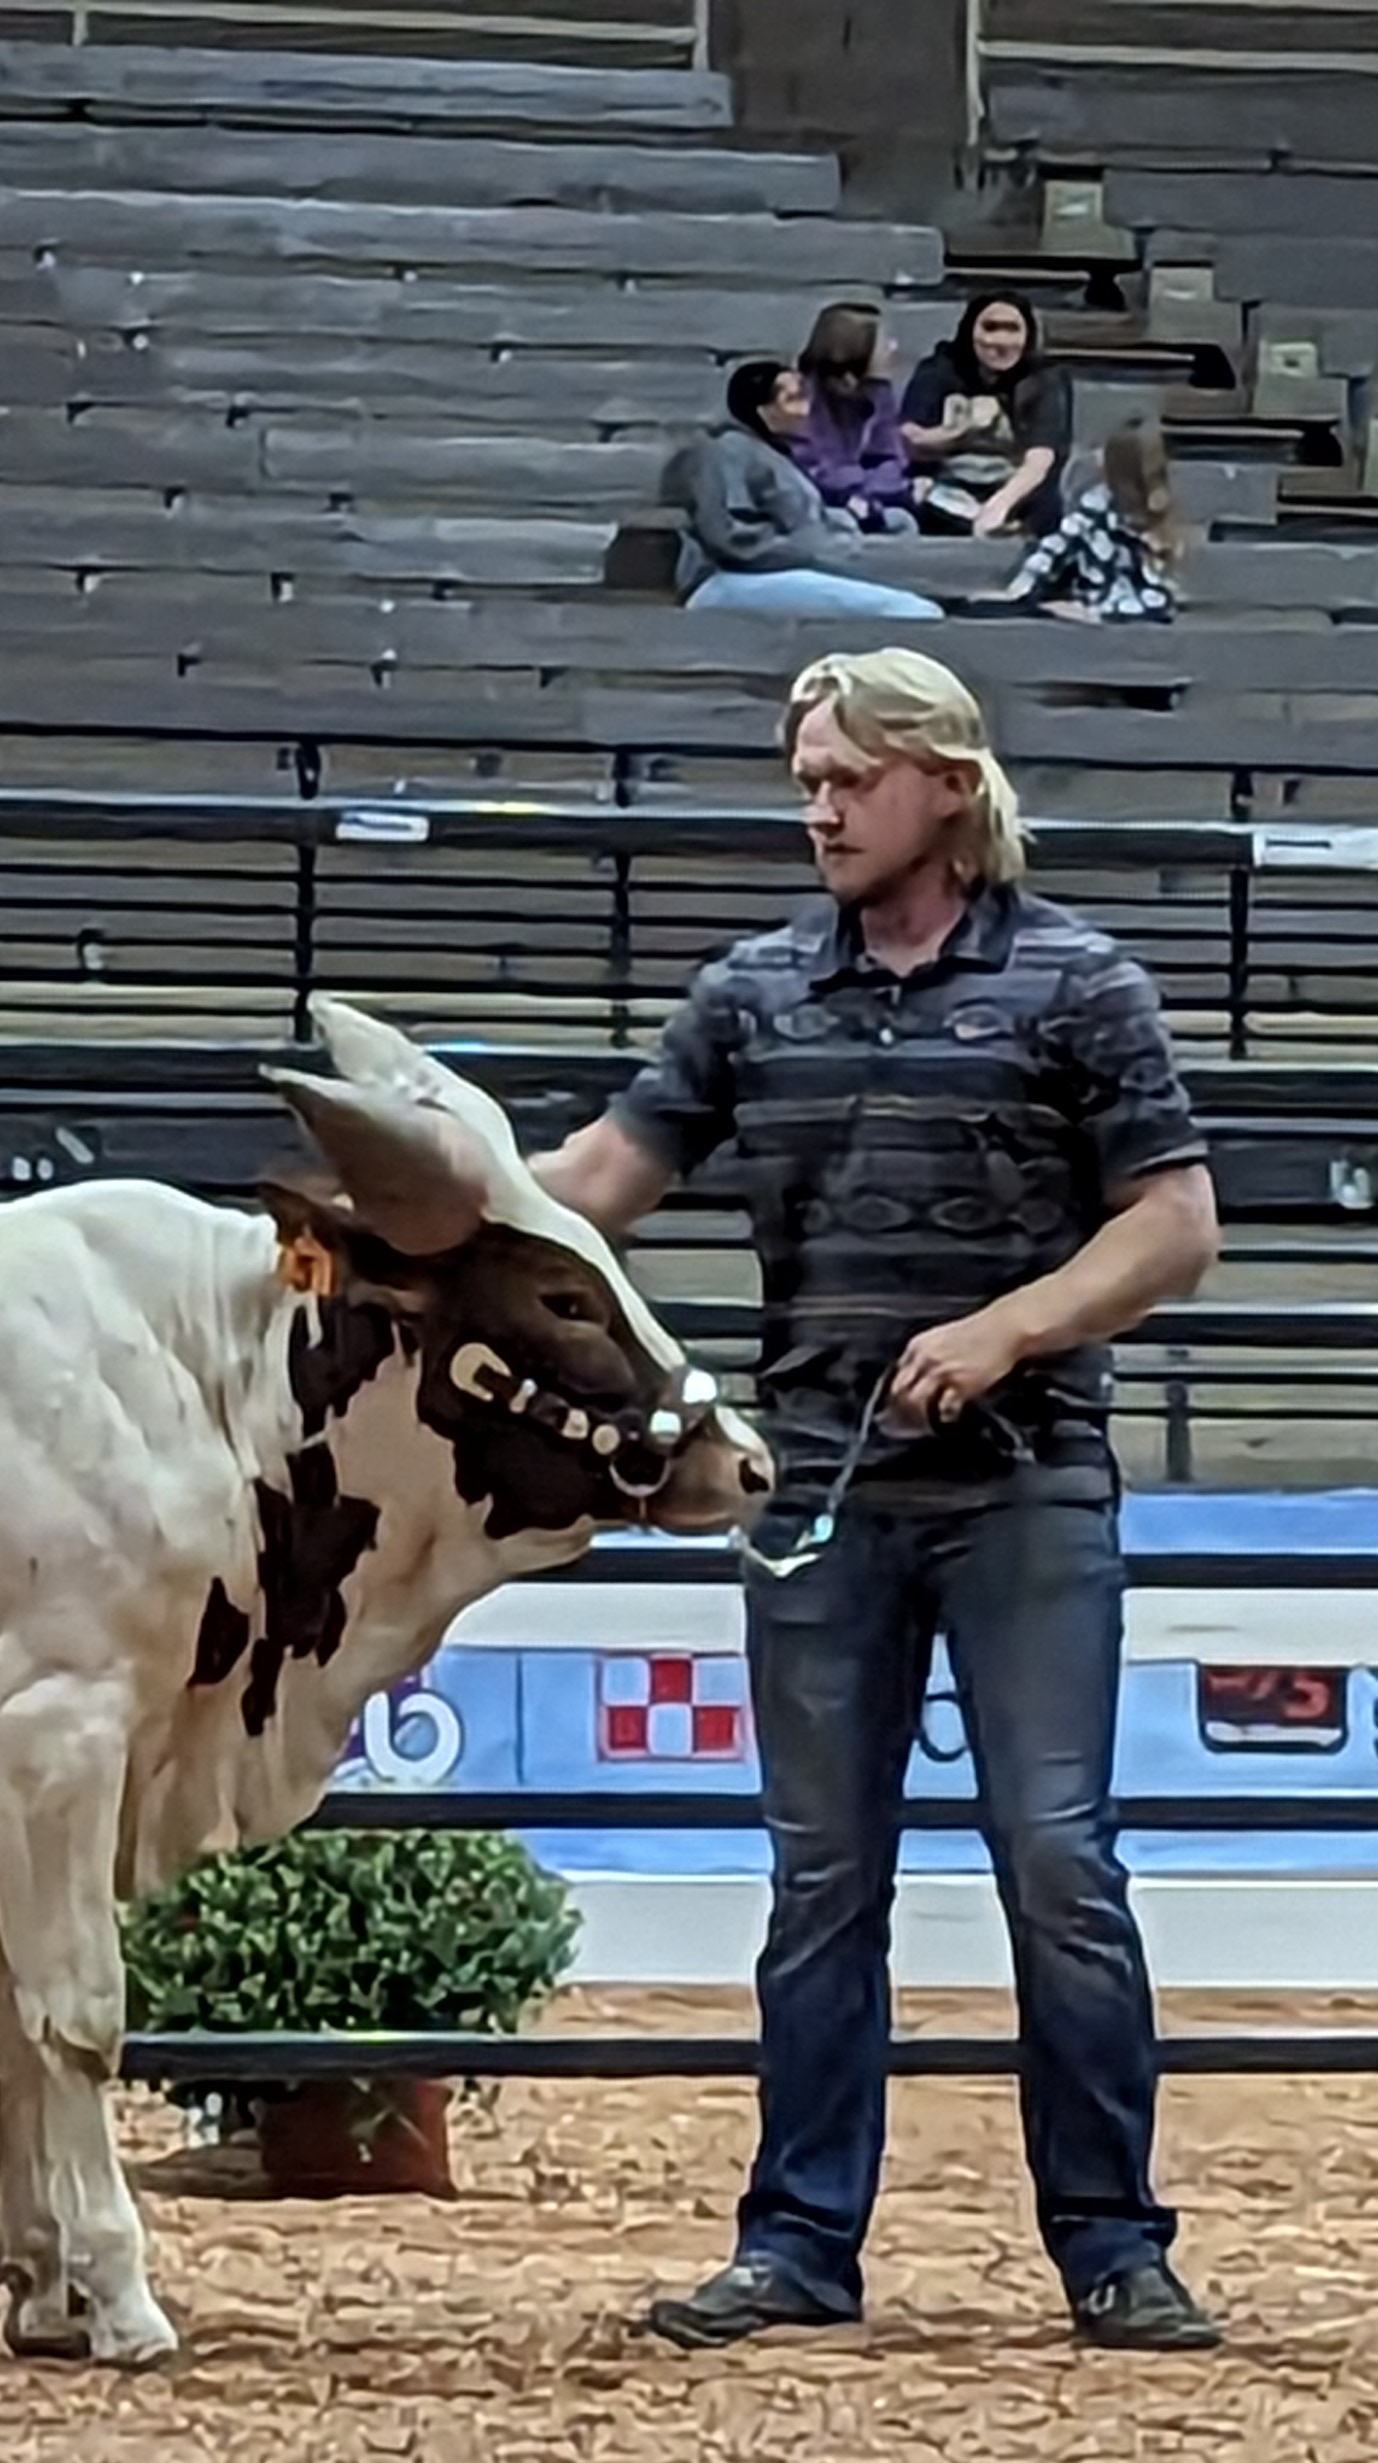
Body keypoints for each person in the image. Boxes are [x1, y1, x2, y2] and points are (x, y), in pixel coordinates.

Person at [525, 647, 1227, 2356]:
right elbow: (595, 1188)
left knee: (1056, 1861)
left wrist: (1005, 1332)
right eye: (807, 778)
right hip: (820, 1487)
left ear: (940, 781)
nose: (817, 806)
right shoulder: (755, 991)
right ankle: (802, 2237)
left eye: (845, 776)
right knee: (820, 1876)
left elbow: (1175, 1224)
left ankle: (1112, 2240)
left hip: (1025, 1484)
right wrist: (430, 1199)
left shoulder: (1078, 984)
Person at [661, 359, 946, 622]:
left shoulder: (772, 454)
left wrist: (847, 522)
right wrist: (818, 551)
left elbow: (802, 518)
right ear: (764, 411)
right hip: (728, 579)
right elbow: (735, 538)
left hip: (783, 567)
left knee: (919, 582)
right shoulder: (727, 450)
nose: (807, 410)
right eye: (793, 400)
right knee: (911, 611)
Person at [969, 418, 1185, 625]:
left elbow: (1159, 571)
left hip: (1120, 592)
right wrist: (1019, 590)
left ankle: (1104, 604)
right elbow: (1059, 546)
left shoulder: (1145, 505)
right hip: (1102, 587)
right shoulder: (1100, 505)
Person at [900, 293, 1070, 540]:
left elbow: (1040, 460)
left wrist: (998, 506)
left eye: (1012, 330)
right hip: (951, 484)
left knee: (1045, 508)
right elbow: (909, 438)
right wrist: (961, 431)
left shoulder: (1045, 378)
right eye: (990, 328)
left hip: (1013, 489)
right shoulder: (938, 370)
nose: (1001, 341)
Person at [791, 302, 916, 535]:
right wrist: (863, 484)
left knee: (902, 522)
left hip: (870, 498)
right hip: (818, 502)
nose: (893, 347)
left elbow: (893, 461)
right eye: (883, 342)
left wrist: (866, 489)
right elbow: (816, 471)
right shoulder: (805, 394)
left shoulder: (880, 393)